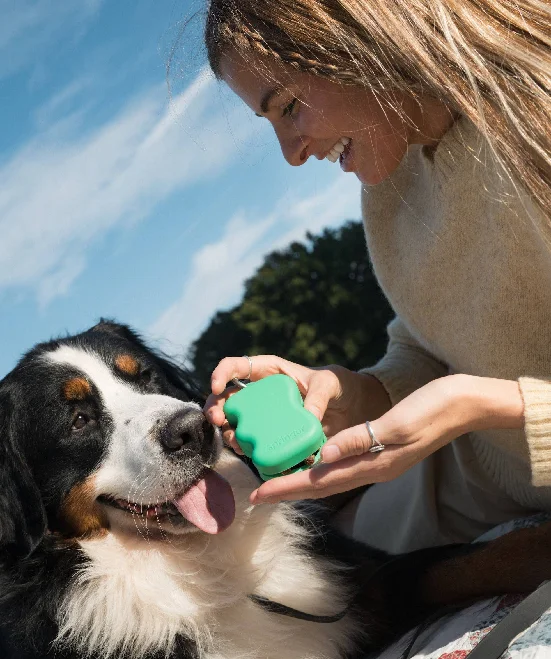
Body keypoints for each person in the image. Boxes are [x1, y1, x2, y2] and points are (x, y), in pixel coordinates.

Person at [201, 0, 551, 553]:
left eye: (290, 108)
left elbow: (466, 395)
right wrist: (355, 396)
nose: (292, 155)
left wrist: (477, 407)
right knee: (320, 565)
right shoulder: (391, 184)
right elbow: (433, 340)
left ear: (365, 39)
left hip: (510, 454)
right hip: (491, 471)